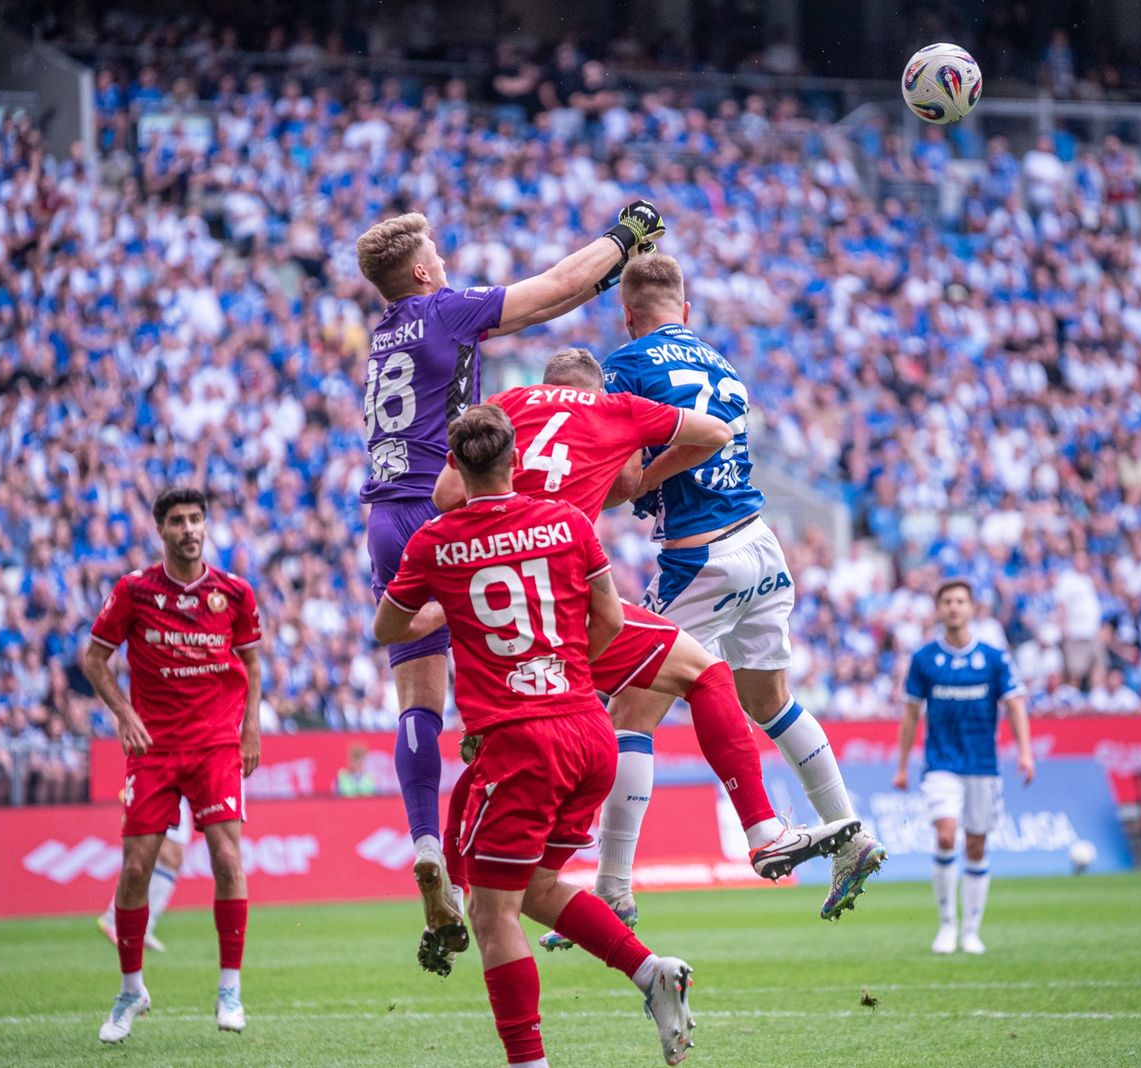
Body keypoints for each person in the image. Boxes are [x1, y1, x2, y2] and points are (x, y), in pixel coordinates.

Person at [432, 349, 862, 958]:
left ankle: (456, 879)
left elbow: (449, 494)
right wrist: (628, 478)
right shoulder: (614, 409)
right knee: (707, 675)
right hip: (569, 601)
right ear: (592, 385)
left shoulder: (504, 405)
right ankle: (760, 831)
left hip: (496, 608)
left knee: (501, 744)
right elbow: (715, 433)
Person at [353, 202, 667, 954]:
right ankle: (517, 835)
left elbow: (556, 298)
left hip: (385, 520)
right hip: (448, 507)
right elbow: (551, 285)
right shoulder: (444, 310)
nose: (448, 264)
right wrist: (625, 238)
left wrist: (608, 273)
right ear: (425, 272)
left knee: (416, 696)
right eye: (440, 254)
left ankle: (428, 844)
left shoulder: (384, 335)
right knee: (517, 652)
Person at [373, 406, 696, 1066]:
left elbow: (388, 628)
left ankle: (529, 1061)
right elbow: (608, 616)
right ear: (515, 459)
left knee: (494, 916)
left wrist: (446, 606)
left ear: (456, 469)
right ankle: (650, 974)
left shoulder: (434, 543)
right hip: (585, 728)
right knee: (540, 886)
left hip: (519, 742)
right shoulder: (568, 521)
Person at [600, 254, 887, 921]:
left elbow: (626, 473)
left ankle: (613, 887)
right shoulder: (723, 365)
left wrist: (631, 486)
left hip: (699, 557)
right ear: (686, 310)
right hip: (761, 544)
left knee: (630, 714)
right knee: (769, 699)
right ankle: (850, 832)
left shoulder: (625, 366)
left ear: (627, 315)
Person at [81, 487, 263, 1044]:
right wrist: (124, 711)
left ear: (206, 526)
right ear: (160, 529)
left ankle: (229, 988)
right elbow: (93, 658)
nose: (189, 529)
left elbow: (252, 661)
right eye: (178, 521)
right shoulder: (134, 591)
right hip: (153, 749)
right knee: (135, 869)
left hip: (214, 745)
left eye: (197, 519)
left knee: (228, 859)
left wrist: (250, 727)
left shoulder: (233, 592)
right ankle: (132, 989)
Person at [893, 579, 1034, 955]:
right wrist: (903, 765)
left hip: (982, 765)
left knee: (975, 845)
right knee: (945, 835)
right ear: (938, 610)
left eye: (960, 601)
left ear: (972, 609)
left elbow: (1016, 704)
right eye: (947, 602)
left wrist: (1025, 752)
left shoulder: (993, 657)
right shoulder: (924, 660)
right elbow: (910, 715)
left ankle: (971, 930)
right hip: (941, 763)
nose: (954, 607)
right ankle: (946, 926)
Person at [97, 798, 194, 954]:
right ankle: (116, 919)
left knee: (170, 857)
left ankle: (140, 926)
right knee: (161, 852)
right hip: (165, 781)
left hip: (180, 785)